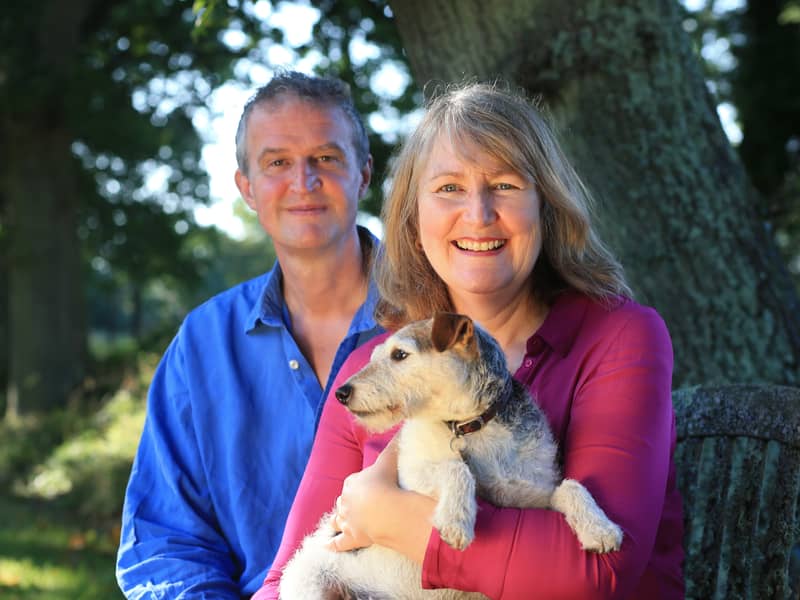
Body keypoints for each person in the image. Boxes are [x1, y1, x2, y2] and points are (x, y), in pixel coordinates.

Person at [255, 82, 684, 599]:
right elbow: (284, 580)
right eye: (449, 189)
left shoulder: (618, 338)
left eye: (504, 185)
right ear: (414, 224)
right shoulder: (371, 368)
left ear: (545, 209)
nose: (478, 214)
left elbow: (597, 573)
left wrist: (389, 517)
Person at [116, 71, 382, 598]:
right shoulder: (203, 346)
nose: (303, 181)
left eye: (326, 158)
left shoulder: (439, 320)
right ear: (246, 188)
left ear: (364, 174)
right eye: (277, 162)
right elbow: (164, 542)